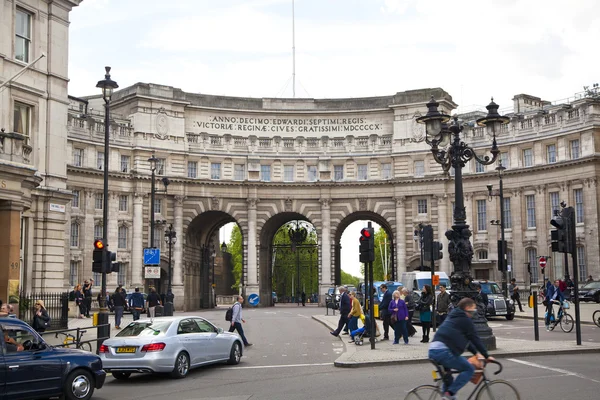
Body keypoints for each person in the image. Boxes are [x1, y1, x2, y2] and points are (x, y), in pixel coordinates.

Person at [428, 297, 495, 400]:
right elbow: (474, 338)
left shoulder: (454, 315)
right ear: (467, 307)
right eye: (473, 308)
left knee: (448, 379)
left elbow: (466, 339)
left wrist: (476, 353)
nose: (474, 311)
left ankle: (448, 395)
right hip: (443, 351)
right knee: (469, 369)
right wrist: (486, 355)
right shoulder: (465, 319)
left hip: (434, 350)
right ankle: (449, 394)